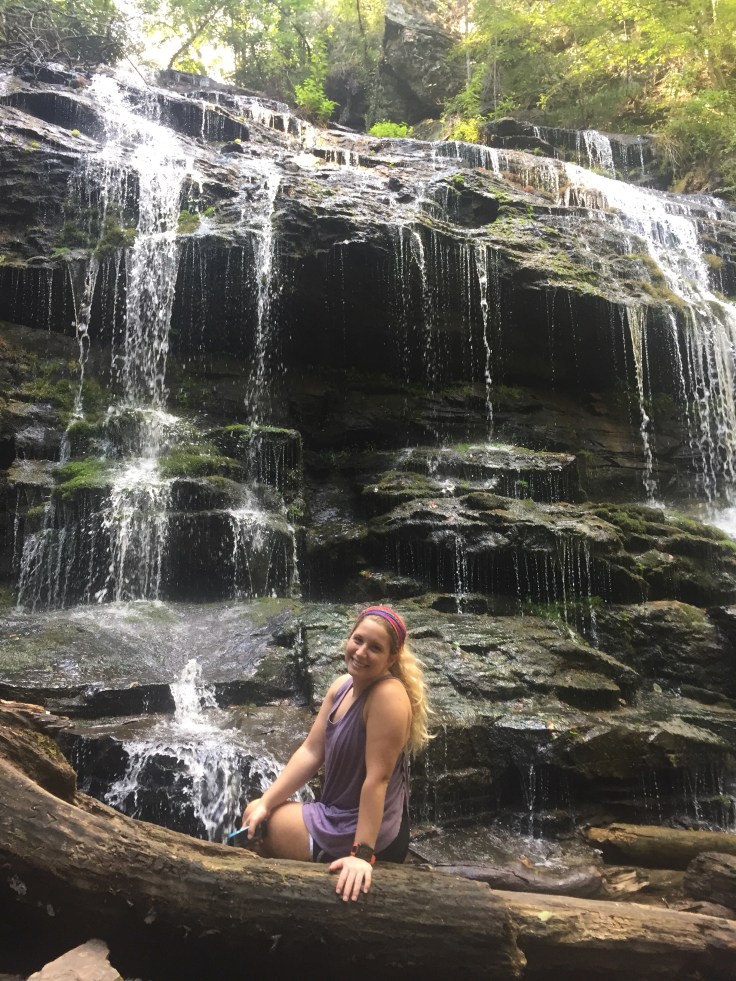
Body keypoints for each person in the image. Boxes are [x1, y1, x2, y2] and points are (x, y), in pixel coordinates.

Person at [241, 605, 429, 902]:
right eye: (358, 640)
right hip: (336, 815)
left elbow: (377, 780)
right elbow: (311, 751)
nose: (361, 652)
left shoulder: (388, 696)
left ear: (392, 657)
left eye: (375, 648)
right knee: (256, 814)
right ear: (349, 638)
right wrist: (267, 801)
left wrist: (362, 855)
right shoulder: (341, 686)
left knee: (263, 831)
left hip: (368, 831)